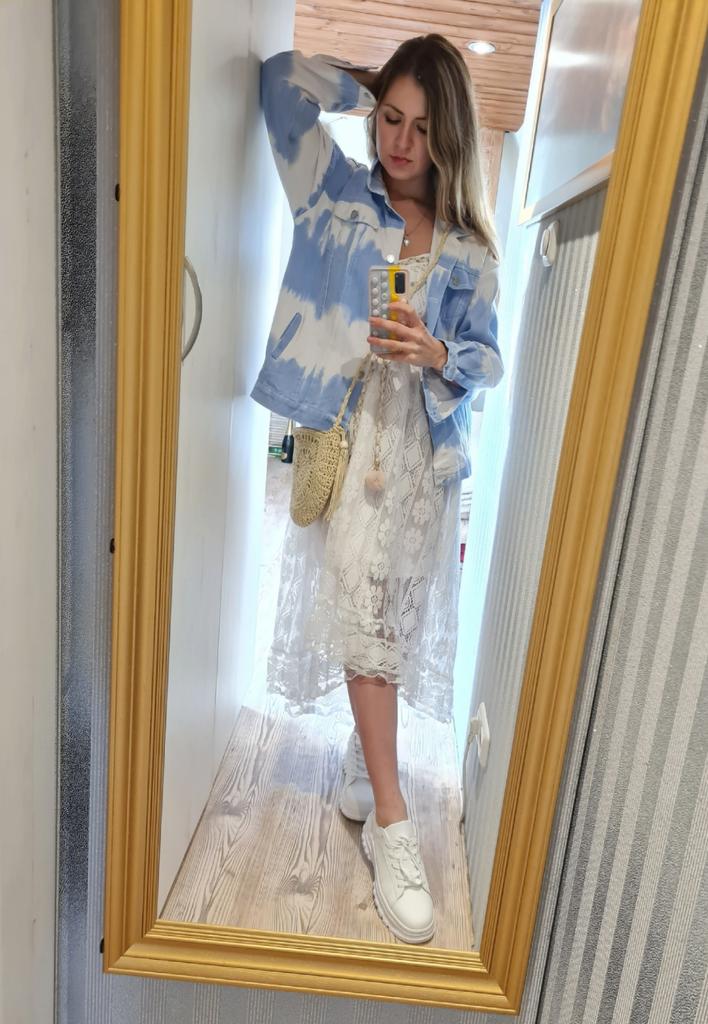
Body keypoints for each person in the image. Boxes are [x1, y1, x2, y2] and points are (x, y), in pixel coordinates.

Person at [250, 35, 503, 944]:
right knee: (361, 614)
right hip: (354, 444)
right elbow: (278, 85)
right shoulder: (335, 193)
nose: (401, 142)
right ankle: (395, 825)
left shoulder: (471, 249)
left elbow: (489, 362)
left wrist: (439, 352)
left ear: (451, 137)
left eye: (424, 128)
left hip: (423, 460)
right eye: (392, 119)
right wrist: (362, 84)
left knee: (391, 621)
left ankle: (367, 764)